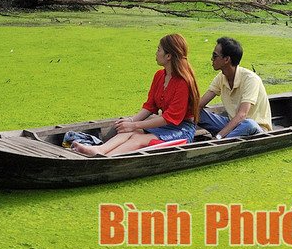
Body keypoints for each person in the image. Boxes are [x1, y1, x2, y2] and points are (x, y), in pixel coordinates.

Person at [72, 33, 200, 157]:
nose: (156, 53)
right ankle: (99, 149)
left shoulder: (183, 82)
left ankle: (105, 158)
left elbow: (169, 118)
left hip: (181, 130)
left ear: (168, 56)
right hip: (164, 127)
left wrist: (135, 125)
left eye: (158, 50)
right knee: (128, 131)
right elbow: (150, 106)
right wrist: (131, 121)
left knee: (137, 138)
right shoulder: (160, 75)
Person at [197, 37, 273, 139]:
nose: (212, 59)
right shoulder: (221, 77)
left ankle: (222, 140)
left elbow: (242, 115)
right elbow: (199, 105)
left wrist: (219, 136)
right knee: (195, 112)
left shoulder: (250, 79)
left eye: (215, 56)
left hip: (254, 128)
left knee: (249, 124)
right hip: (232, 125)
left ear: (227, 59)